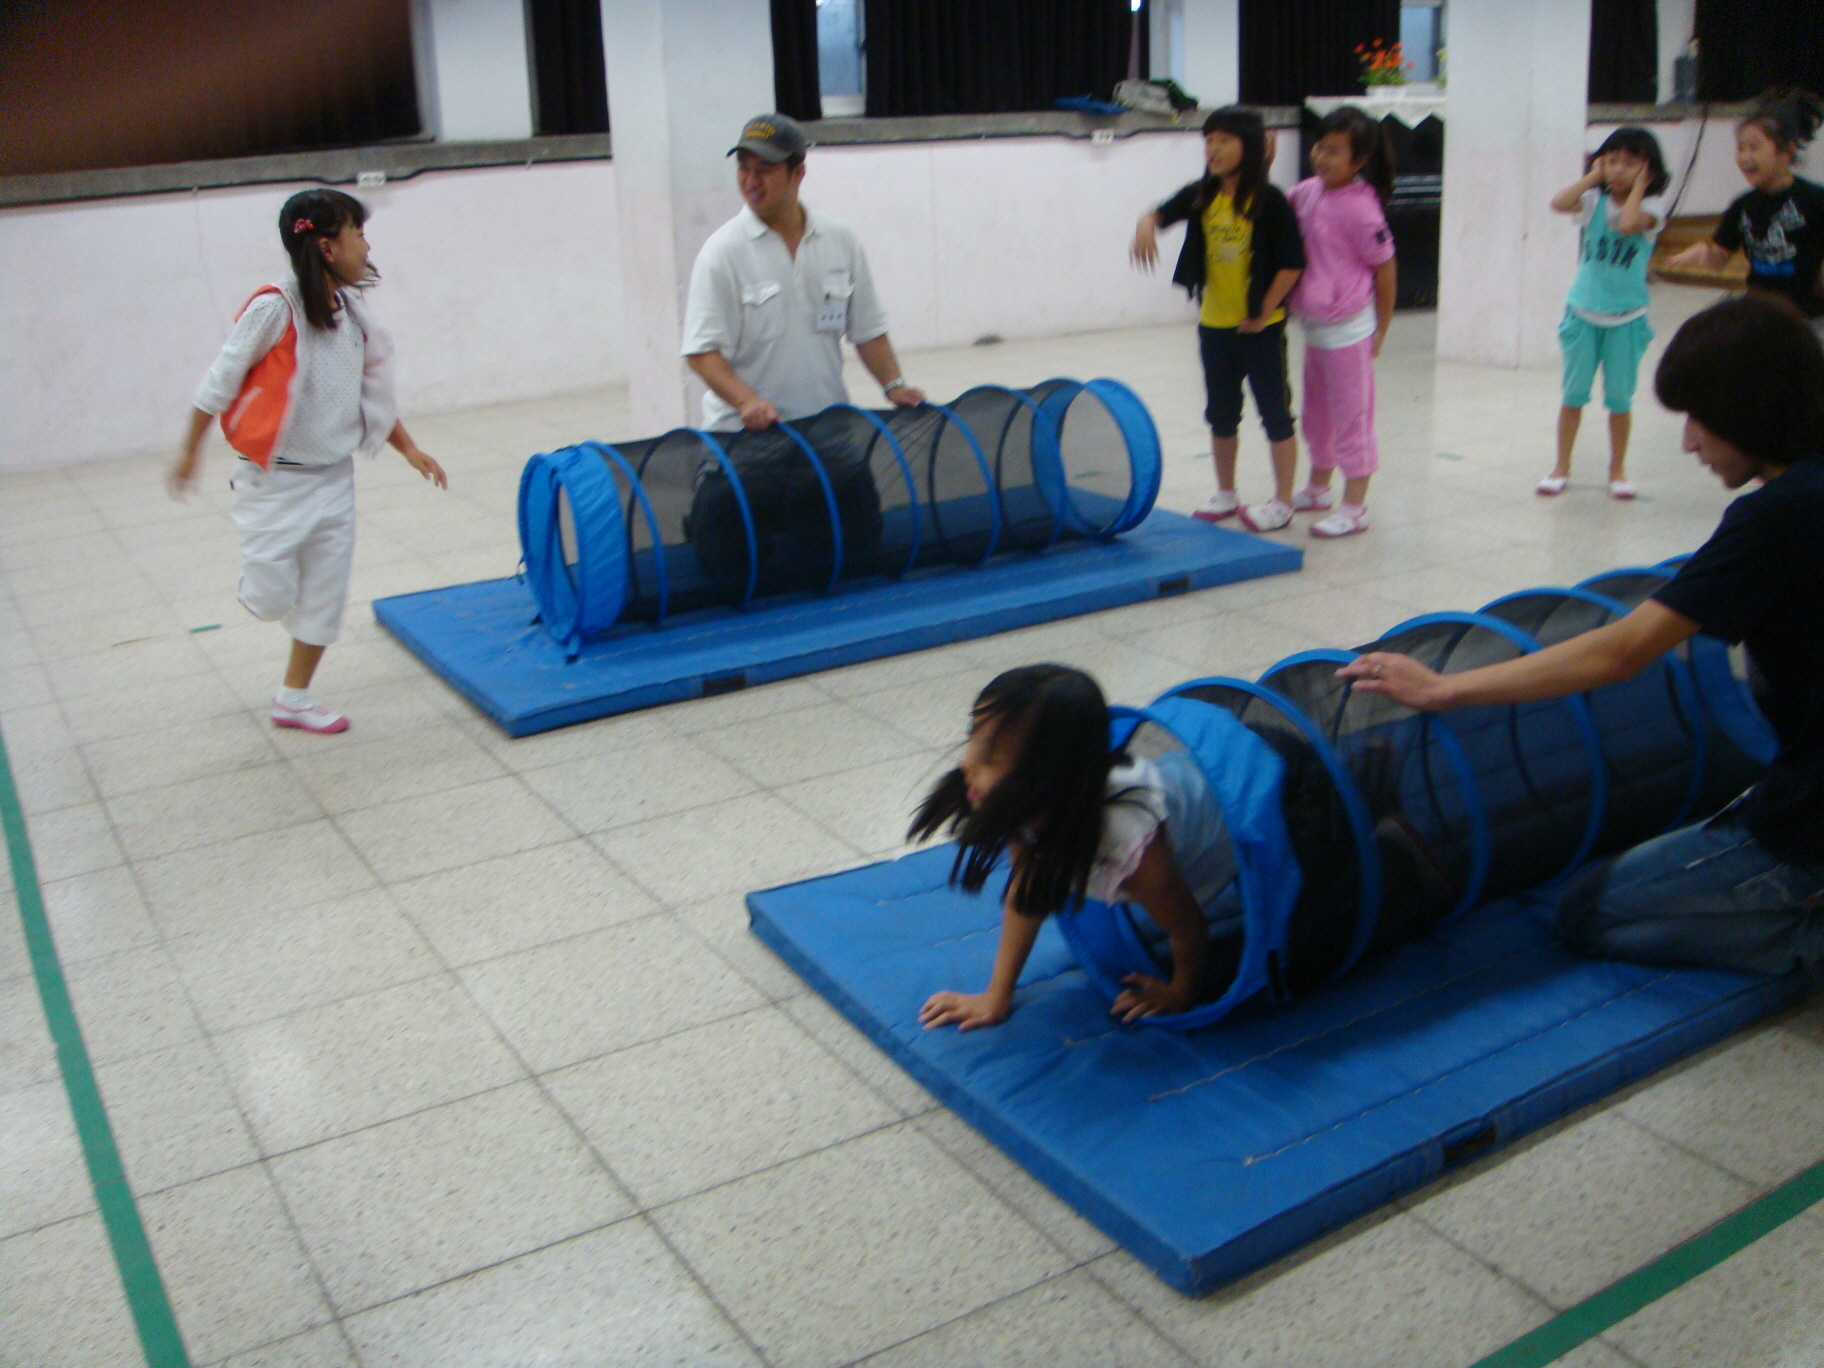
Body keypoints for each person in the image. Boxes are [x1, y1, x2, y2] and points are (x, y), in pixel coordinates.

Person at [1340, 294, 1824, 978]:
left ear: (1752, 410)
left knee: (1591, 913)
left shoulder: (1777, 516)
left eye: (1700, 419)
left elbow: (1624, 648)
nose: (1688, 443)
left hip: (1809, 821)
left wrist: (1447, 686)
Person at [168, 189, 446, 735]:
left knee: (325, 597)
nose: (366, 245)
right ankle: (263, 587)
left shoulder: (352, 312)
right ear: (325, 246)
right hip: (274, 482)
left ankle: (293, 699)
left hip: (333, 479)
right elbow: (216, 384)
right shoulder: (276, 307)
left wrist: (407, 447)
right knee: (272, 599)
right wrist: (188, 451)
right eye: (357, 233)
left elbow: (367, 394)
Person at [910, 664, 1245, 1031]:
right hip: (1183, 776)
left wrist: (1180, 994)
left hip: (1238, 806)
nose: (966, 763)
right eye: (972, 738)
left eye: (991, 757)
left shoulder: (1129, 845)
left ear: (1048, 778)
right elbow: (1028, 890)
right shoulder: (1030, 804)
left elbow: (1189, 928)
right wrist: (996, 996)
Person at [681, 112, 925, 431]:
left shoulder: (840, 240)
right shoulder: (722, 253)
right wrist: (747, 402)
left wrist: (894, 385)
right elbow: (702, 352)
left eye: (764, 171)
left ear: (798, 173)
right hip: (747, 439)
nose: (751, 182)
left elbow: (868, 331)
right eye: (744, 169)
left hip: (829, 428)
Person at [1132, 106, 1306, 533]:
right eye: (1209, 140)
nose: (1214, 148)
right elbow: (1160, 212)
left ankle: (1284, 501)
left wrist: (1263, 312)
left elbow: (1292, 264)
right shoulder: (1202, 193)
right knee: (1221, 413)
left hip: (1261, 329)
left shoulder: (1270, 201)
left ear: (1249, 147)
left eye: (1225, 140)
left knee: (1275, 413)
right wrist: (1145, 225)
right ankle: (1226, 493)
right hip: (1215, 326)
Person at [1538, 126, 1672, 500]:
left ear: (1648, 169)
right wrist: (1592, 177)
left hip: (1626, 319)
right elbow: (1559, 202)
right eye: (1611, 160)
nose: (1617, 169)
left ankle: (1618, 469)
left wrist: (1641, 187)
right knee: (1573, 394)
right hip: (1583, 312)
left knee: (1619, 399)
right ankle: (1561, 466)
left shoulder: (1651, 208)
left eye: (1629, 163)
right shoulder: (1593, 201)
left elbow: (1628, 225)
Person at [1284, 106, 1399, 538]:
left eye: (1333, 151)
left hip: (1348, 331)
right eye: (1319, 146)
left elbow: (1386, 269)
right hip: (1315, 328)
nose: (1321, 156)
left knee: (1352, 418)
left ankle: (1354, 506)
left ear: (1358, 161)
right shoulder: (1309, 192)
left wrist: (1381, 329)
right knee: (1316, 415)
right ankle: (1318, 487)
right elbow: (1278, 209)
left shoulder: (1363, 210)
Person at [1665, 90, 1824, 325]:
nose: (1745, 157)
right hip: (1761, 314)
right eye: (1740, 148)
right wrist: (1705, 253)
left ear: (1786, 151)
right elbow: (1720, 258)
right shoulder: (1742, 206)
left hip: (1808, 317)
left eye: (1754, 147)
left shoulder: (1813, 199)